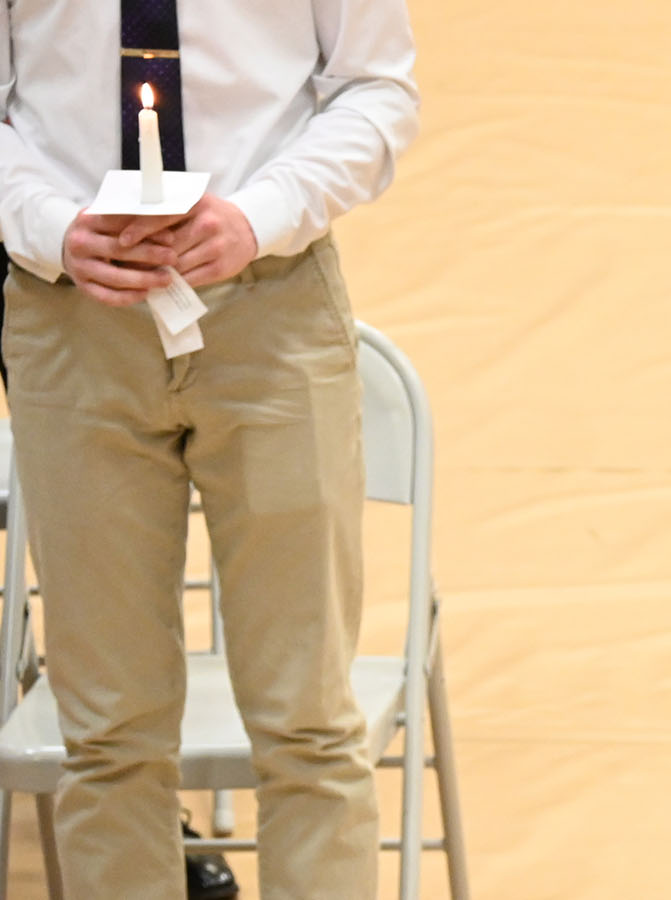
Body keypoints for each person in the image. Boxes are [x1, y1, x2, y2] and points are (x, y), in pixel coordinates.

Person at [0, 1, 420, 896]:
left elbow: (379, 91)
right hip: (71, 317)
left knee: (309, 723)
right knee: (108, 734)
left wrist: (261, 214)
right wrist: (48, 225)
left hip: (270, 308)